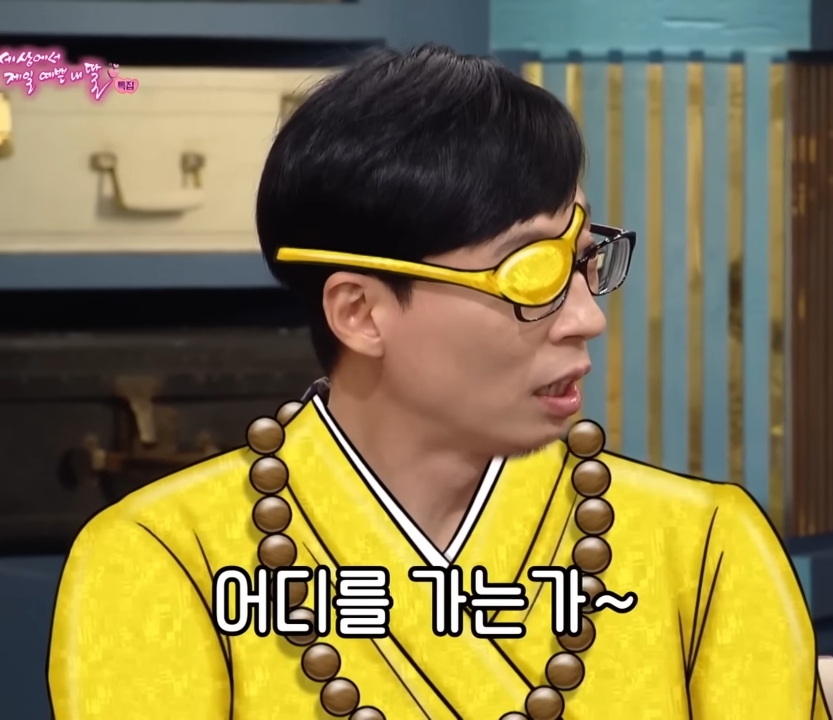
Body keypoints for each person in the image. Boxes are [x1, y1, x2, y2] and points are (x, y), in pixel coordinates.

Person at [48, 45, 829, 720]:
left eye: (585, 262)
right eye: (533, 274)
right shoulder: (161, 557)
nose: (587, 318)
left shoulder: (705, 547)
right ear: (360, 312)